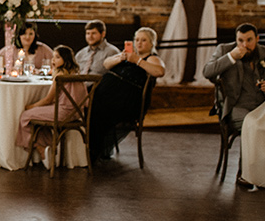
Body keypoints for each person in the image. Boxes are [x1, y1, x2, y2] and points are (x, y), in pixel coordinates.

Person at [89, 27, 166, 163]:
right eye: (136, 40)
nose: (139, 43)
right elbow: (106, 64)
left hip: (128, 101)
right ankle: (79, 149)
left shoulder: (151, 58)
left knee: (96, 108)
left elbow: (159, 71)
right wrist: (121, 57)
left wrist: (137, 60)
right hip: (109, 95)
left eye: (143, 40)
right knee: (84, 104)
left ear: (151, 43)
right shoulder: (126, 55)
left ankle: (92, 150)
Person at [203, 23, 265, 134]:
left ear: (257, 39)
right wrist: (231, 56)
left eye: (249, 40)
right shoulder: (224, 50)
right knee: (254, 126)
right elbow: (207, 72)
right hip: (236, 107)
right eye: (240, 41)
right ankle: (249, 152)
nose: (245, 45)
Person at [15, 45, 87, 165]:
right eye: (53, 57)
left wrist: (31, 106)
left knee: (26, 116)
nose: (53, 60)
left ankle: (42, 149)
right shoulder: (76, 74)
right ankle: (51, 147)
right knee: (40, 120)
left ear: (66, 59)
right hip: (77, 114)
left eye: (57, 57)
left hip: (63, 113)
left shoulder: (60, 76)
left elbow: (48, 100)